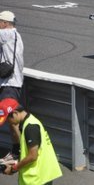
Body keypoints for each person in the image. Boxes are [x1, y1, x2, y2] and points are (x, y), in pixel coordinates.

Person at [0, 98, 63, 184]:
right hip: (41, 175)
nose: (8, 122)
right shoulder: (29, 121)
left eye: (8, 119)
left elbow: (33, 155)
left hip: (37, 178)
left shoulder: (30, 127)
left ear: (15, 113)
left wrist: (14, 168)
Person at [0, 11, 24, 164]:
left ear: (5, 23)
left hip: (10, 86)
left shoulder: (7, 34)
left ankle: (17, 152)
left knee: (11, 120)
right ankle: (17, 151)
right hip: (11, 85)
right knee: (12, 121)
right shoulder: (15, 35)